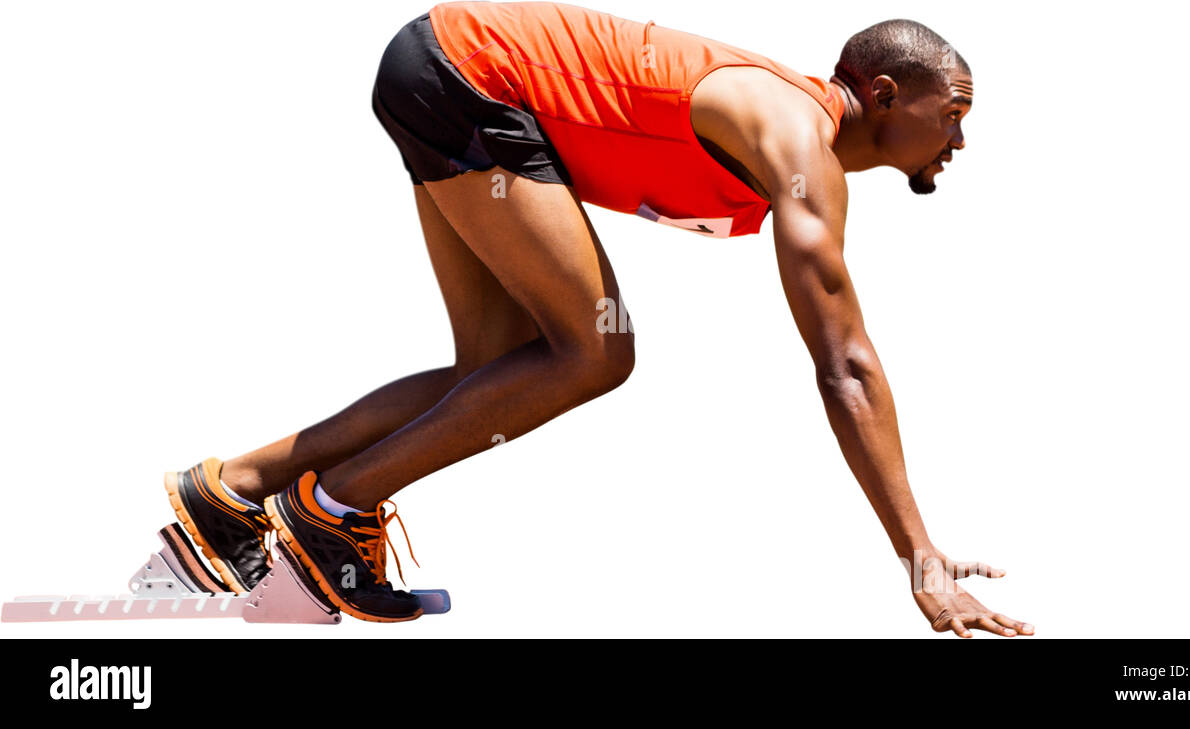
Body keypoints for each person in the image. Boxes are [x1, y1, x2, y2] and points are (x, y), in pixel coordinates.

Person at [164, 1, 1033, 636]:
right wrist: (919, 554)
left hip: (447, 68)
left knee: (499, 368)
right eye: (953, 114)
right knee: (597, 350)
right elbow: (845, 363)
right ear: (884, 95)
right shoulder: (799, 141)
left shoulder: (791, 134)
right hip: (468, 73)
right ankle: (334, 509)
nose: (960, 140)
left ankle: (232, 487)